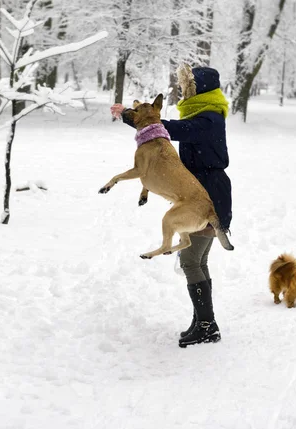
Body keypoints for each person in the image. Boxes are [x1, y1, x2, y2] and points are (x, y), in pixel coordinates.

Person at [110, 64, 232, 348]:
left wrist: (132, 117)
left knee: (191, 261)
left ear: (199, 89)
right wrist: (131, 115)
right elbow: (162, 127)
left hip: (207, 197)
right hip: (198, 194)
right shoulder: (200, 114)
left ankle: (206, 325)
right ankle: (203, 320)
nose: (183, 91)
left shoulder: (209, 118)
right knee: (197, 261)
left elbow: (169, 129)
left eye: (187, 86)